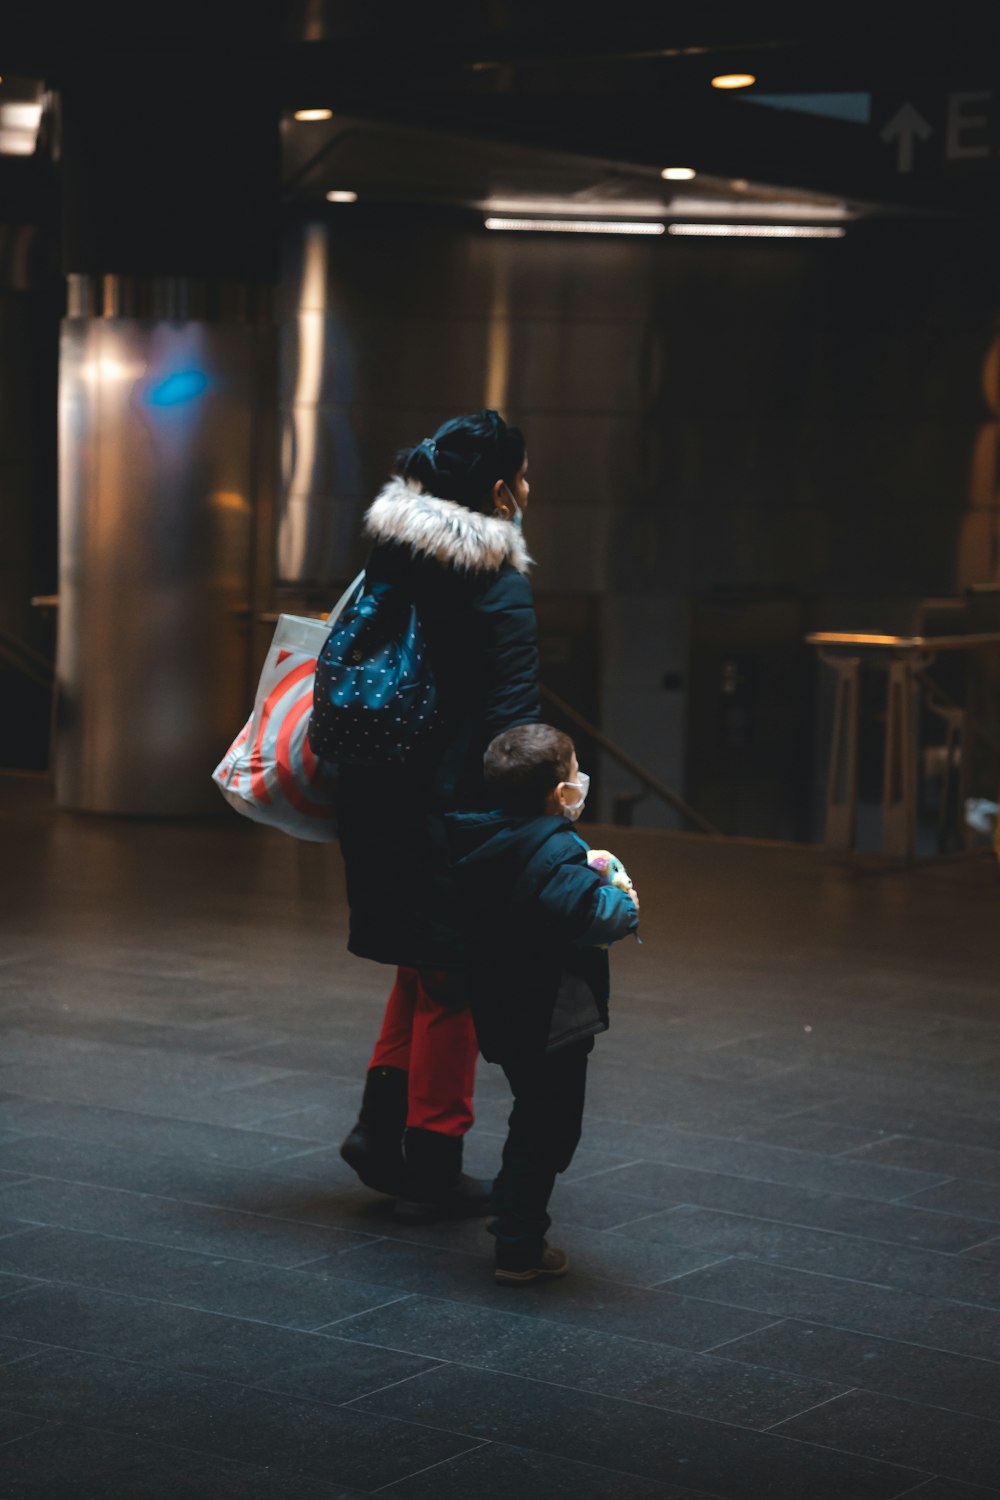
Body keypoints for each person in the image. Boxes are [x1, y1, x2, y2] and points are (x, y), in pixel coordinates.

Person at [337, 410, 539, 1222]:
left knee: (420, 963)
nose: (529, 489)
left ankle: (377, 1132)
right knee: (455, 974)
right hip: (454, 806)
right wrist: (535, 812)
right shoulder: (498, 582)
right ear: (498, 490)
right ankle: (433, 1153)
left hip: (375, 794)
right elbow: (515, 722)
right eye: (523, 476)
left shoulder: (390, 556)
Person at [447, 723, 640, 1284]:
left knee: (532, 1110)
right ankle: (519, 1243)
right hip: (552, 1014)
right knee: (550, 1128)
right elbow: (605, 918)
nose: (580, 778)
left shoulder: (476, 837)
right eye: (573, 770)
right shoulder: (555, 851)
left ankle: (510, 1206)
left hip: (500, 1004)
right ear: (560, 794)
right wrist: (615, 886)